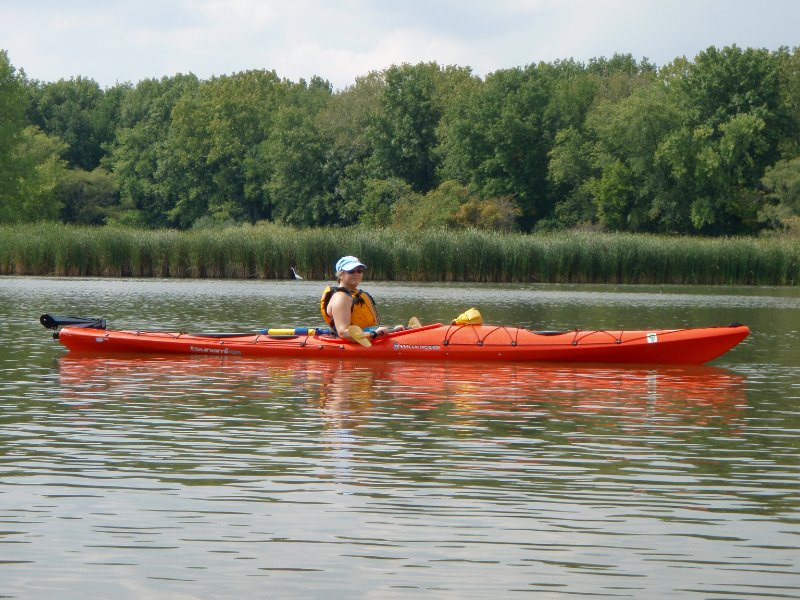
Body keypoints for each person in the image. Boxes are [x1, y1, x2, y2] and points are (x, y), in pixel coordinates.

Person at [320, 255, 404, 342]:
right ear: (341, 275)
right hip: (354, 344)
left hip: (368, 338)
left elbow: (365, 329)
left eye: (359, 271)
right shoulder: (341, 297)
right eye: (351, 271)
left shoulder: (354, 294)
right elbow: (343, 333)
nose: (356, 274)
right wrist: (378, 334)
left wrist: (393, 331)